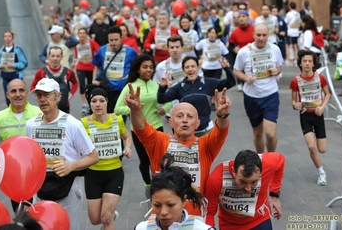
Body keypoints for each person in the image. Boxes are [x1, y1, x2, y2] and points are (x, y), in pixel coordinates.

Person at [125, 84, 231, 216]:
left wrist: (222, 115)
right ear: (170, 122)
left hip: (195, 216)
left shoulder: (205, 145)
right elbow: (140, 126)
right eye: (180, 116)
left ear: (197, 123)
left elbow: (220, 131)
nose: (185, 120)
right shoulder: (158, 141)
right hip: (164, 214)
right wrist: (135, 110)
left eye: (190, 117)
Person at [26, 78, 99, 230]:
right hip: (40, 187)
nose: (42, 99)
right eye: (39, 95)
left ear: (58, 97)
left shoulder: (73, 124)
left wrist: (71, 166)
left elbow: (93, 156)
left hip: (68, 187)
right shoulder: (31, 124)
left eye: (47, 94)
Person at [115, 54, 172, 199]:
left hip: (157, 127)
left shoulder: (157, 85)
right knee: (145, 161)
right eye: (145, 67)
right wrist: (134, 109)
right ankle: (148, 184)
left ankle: (160, 184)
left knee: (161, 159)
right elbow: (117, 109)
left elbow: (168, 101)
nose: (149, 70)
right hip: (139, 130)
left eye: (151, 67)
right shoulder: (130, 87)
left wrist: (164, 109)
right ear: (138, 69)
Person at [82, 86, 132, 229]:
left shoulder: (117, 120)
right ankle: (110, 216)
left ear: (107, 102)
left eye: (101, 101)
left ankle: (109, 217)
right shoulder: (84, 123)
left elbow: (127, 137)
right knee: (94, 219)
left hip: (114, 173)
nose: (98, 104)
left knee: (106, 218)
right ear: (90, 104)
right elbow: (76, 146)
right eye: (94, 101)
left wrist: (127, 148)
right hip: (92, 174)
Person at [0, 79, 41, 213]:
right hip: (15, 178)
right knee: (21, 216)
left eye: (21, 90)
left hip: (37, 173)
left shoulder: (39, 113)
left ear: (27, 93)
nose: (18, 94)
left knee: (36, 214)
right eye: (13, 91)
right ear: (7, 95)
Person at [233, 24, 283, 153]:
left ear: (268, 35)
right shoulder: (244, 51)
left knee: (270, 134)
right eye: (258, 35)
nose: (261, 38)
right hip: (252, 97)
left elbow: (279, 67)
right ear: (253, 35)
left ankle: (271, 159)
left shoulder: (275, 49)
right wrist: (246, 78)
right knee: (258, 133)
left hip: (270, 94)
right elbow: (236, 70)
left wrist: (276, 71)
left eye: (264, 35)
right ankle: (261, 161)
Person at [205, 150, 285, 230]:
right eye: (243, 182)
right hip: (230, 226)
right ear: (234, 172)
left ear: (260, 172)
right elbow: (209, 213)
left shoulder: (267, 163)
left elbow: (280, 160)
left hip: (260, 220)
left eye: (253, 182)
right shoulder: (216, 179)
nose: (248, 188)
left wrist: (274, 195)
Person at [158, 56, 235, 136]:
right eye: (187, 67)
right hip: (187, 133)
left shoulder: (209, 83)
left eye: (193, 66)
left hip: (206, 130)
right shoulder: (179, 87)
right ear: (184, 70)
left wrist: (227, 69)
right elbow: (161, 99)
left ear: (198, 68)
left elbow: (231, 83)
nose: (190, 69)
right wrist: (162, 87)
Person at [135, 154, 215, 230]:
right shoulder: (141, 228)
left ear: (184, 200)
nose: (163, 212)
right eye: (157, 205)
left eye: (170, 205)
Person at [289, 50, 331, 185]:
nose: (307, 64)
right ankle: (321, 173)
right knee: (312, 147)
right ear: (300, 63)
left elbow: (328, 94)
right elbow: (293, 101)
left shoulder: (320, 78)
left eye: (310, 61)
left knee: (322, 149)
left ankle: (320, 166)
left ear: (314, 64)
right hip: (305, 116)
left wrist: (323, 107)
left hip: (318, 115)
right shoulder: (296, 81)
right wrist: (296, 106)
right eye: (305, 61)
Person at [91, 26, 138, 113]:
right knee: (107, 117)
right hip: (106, 89)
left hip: (123, 90)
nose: (113, 43)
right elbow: (96, 65)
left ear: (121, 38)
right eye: (111, 40)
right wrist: (94, 80)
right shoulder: (102, 50)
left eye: (116, 40)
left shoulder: (131, 51)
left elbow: (136, 68)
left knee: (121, 117)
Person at [31, 47, 78, 113]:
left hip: (64, 107)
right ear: (48, 57)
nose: (55, 58)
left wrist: (71, 94)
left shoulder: (68, 72)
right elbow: (32, 87)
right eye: (53, 56)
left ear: (62, 57)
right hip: (47, 108)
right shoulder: (41, 72)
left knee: (64, 123)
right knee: (49, 123)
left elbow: (75, 83)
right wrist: (40, 97)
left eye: (58, 56)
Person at [0, 30, 28, 106]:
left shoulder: (17, 50)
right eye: (5, 36)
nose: (7, 38)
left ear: (12, 38)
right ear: (3, 38)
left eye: (9, 36)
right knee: (8, 98)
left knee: (19, 96)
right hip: (5, 76)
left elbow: (24, 63)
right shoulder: (1, 51)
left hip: (16, 76)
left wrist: (14, 65)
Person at [72, 28, 100, 114]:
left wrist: (96, 62)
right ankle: (84, 104)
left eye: (84, 33)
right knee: (82, 85)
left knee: (90, 85)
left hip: (91, 67)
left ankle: (90, 103)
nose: (82, 35)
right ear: (78, 35)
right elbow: (75, 56)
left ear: (86, 35)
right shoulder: (77, 46)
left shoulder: (91, 42)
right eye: (80, 33)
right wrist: (73, 63)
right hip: (80, 67)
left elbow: (99, 50)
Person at [227, 10, 255, 91]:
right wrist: (234, 49)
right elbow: (230, 46)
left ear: (248, 18)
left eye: (244, 16)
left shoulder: (254, 29)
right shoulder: (235, 32)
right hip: (242, 58)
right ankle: (241, 85)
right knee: (245, 83)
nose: (241, 18)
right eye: (239, 17)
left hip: (254, 57)